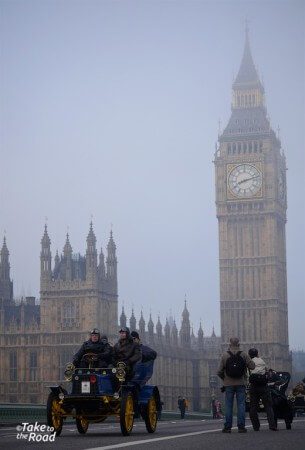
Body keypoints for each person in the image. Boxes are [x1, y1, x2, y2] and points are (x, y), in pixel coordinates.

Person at [217, 337, 255, 433]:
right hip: (241, 383)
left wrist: (224, 379)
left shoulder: (225, 355)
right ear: (238, 344)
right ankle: (241, 427)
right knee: (241, 405)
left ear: (229, 344)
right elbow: (252, 366)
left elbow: (219, 371)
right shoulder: (243, 354)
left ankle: (227, 427)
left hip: (228, 384)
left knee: (228, 405)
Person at [248, 348, 277, 431]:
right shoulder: (261, 361)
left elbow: (247, 374)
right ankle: (272, 425)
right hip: (263, 385)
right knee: (268, 406)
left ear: (249, 355)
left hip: (253, 386)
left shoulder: (249, 362)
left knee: (253, 407)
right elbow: (267, 370)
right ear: (257, 354)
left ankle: (256, 426)